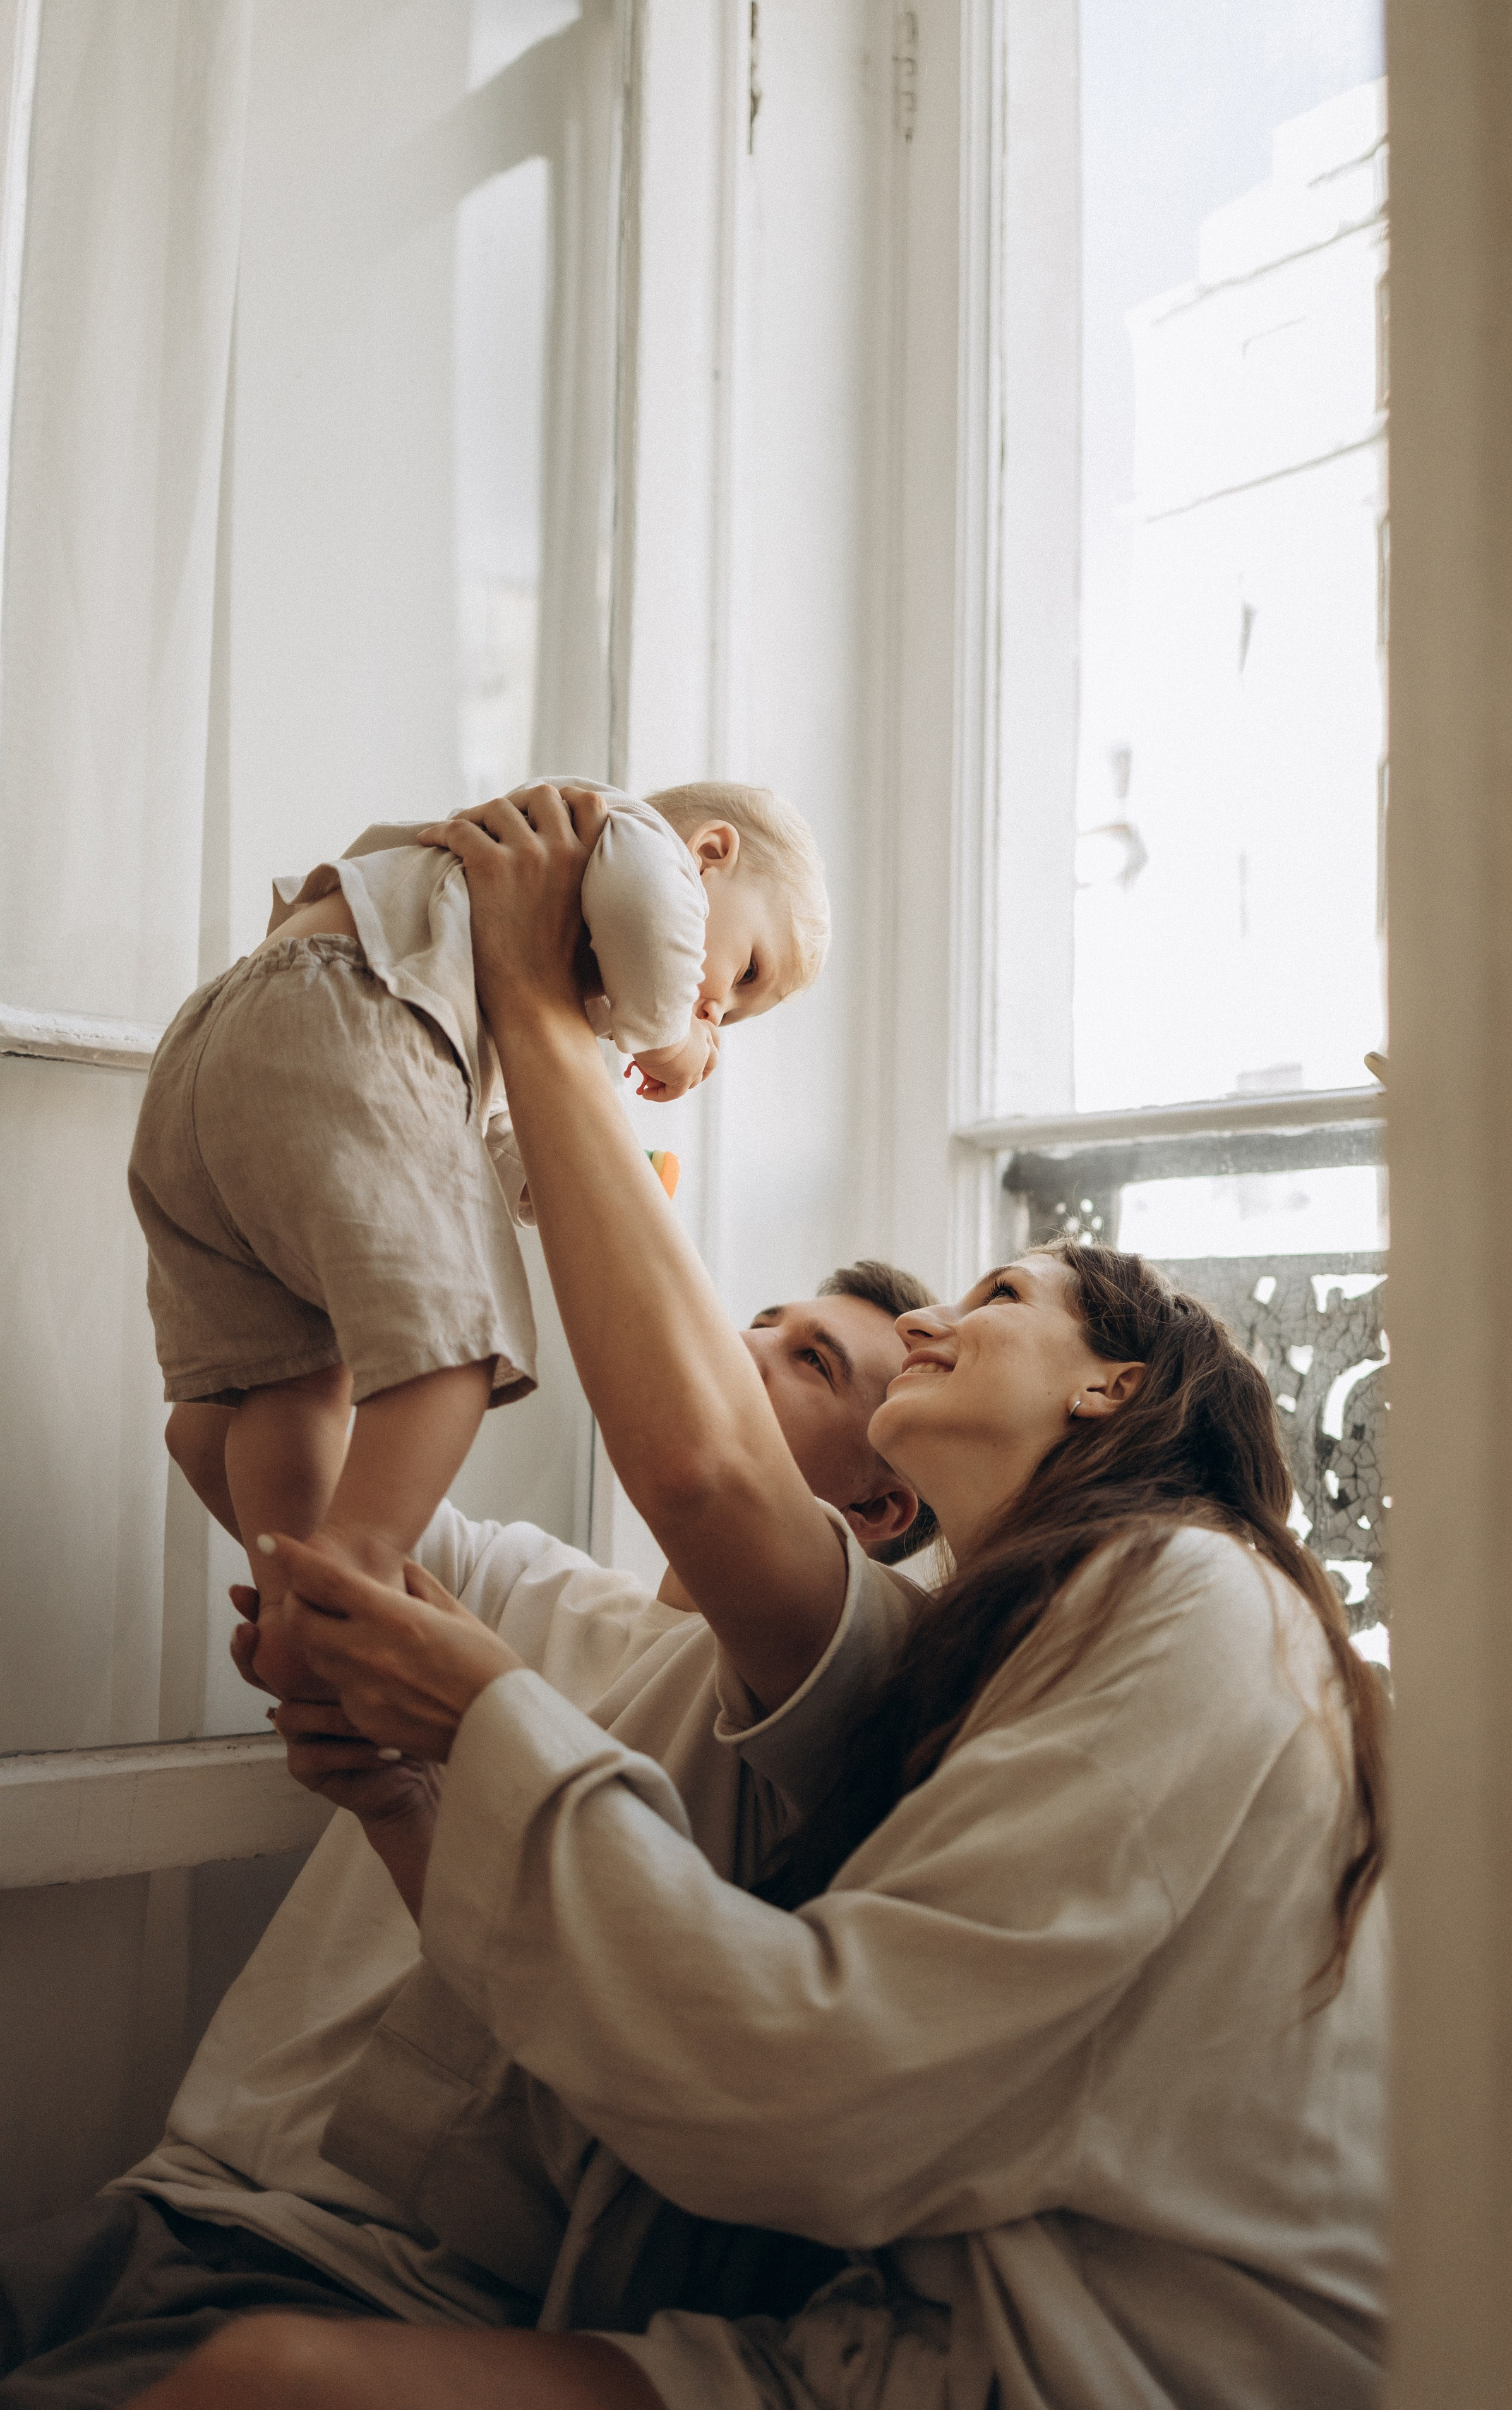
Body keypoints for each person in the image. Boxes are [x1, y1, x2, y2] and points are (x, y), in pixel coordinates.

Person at [131, 785, 1390, 2410]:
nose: (933, 1322)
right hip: (880, 2323)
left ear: (1108, 1392)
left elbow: (710, 1482)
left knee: (265, 2378)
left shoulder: (1181, 1599)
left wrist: (533, 1004)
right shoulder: (964, 1664)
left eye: (994, 1295)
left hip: (1018, 2353)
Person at [0, 1258, 930, 2410]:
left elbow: (710, 1477)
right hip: (164, 2196)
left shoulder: (845, 1708)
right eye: (761, 1323)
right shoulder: (520, 1583)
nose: (741, 1350)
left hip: (381, 2294)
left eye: (812, 1364)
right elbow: (214, 1431)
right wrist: (366, 1205)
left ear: (880, 1508)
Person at [127, 778, 830, 1702]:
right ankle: (357, 1570)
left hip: (216, 1055)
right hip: (346, 1010)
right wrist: (672, 1033)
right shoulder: (628, 843)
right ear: (712, 853)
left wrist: (544, 1177)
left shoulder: (514, 921)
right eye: (741, 977)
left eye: (734, 1015)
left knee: (295, 1377)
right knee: (457, 1352)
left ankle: (297, 1593)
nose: (720, 1014)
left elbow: (472, 1103)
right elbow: (657, 943)